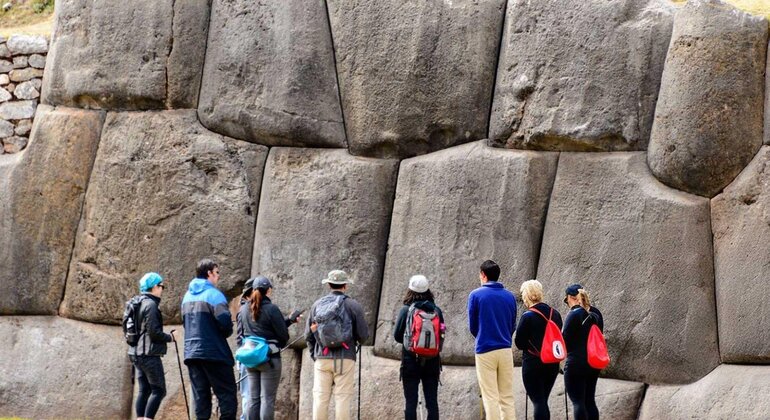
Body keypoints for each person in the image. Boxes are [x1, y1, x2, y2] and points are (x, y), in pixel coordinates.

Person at [305, 269, 369, 420]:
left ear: (329, 285)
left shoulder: (317, 305)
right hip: (345, 357)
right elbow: (363, 336)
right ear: (345, 286)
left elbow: (308, 334)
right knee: (342, 398)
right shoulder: (353, 305)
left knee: (320, 398)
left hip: (322, 356)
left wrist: (315, 355)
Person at [238, 276, 302, 420]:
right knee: (267, 399)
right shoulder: (272, 309)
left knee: (253, 398)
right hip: (269, 359)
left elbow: (246, 332)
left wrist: (289, 320)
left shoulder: (243, 310)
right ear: (269, 290)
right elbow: (283, 335)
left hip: (250, 359)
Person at [181, 259, 237, 420]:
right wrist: (225, 332)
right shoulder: (215, 295)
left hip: (192, 354)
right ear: (209, 273)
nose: (218, 276)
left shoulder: (186, 297)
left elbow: (186, 324)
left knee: (201, 399)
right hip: (214, 353)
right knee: (227, 396)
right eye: (217, 272)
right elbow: (225, 322)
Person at [467, 260, 517, 420]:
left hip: (484, 349)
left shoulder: (475, 295)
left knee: (490, 397)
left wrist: (483, 335)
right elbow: (512, 325)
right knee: (507, 397)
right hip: (505, 349)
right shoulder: (510, 296)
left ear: (483, 275)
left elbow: (473, 326)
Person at [393, 275, 444, 420]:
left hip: (410, 360)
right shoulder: (436, 311)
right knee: (432, 403)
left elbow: (397, 335)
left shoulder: (406, 310)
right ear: (428, 290)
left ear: (410, 289)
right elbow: (441, 334)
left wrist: (412, 342)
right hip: (432, 361)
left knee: (411, 402)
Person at [515, 279, 563, 420]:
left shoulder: (527, 316)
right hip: (552, 363)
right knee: (543, 401)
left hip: (533, 363)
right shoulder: (555, 314)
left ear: (527, 296)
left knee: (538, 402)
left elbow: (519, 343)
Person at [129, 272, 175, 420]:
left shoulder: (136, 303)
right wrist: (170, 337)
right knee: (159, 390)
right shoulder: (151, 305)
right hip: (149, 355)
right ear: (155, 287)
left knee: (145, 390)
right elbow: (154, 333)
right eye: (162, 286)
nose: (162, 289)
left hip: (136, 354)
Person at [562, 284, 604, 420]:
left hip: (576, 363)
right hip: (594, 362)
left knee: (578, 401)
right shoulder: (596, 313)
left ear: (571, 298)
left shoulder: (574, 314)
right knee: (589, 400)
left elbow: (564, 341)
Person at [236, 278, 254, 420]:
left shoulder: (242, 309)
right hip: (250, 354)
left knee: (247, 394)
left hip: (243, 354)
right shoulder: (247, 310)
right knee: (248, 394)